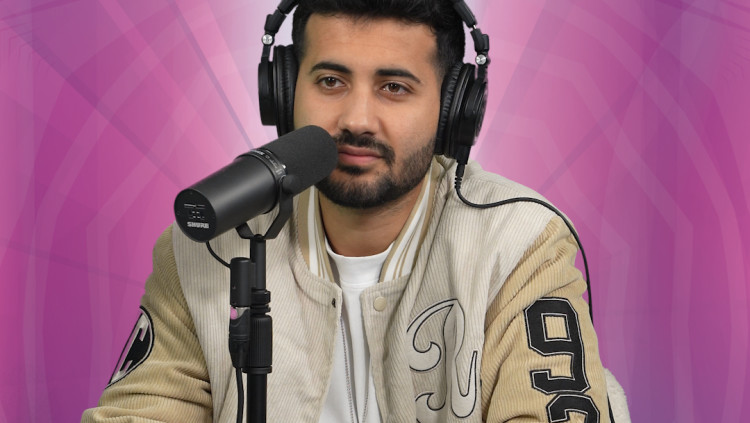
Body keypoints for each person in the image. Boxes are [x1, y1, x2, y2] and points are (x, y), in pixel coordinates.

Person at [83, 0, 620, 421]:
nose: (357, 119)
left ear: (454, 109)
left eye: (394, 87)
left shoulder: (520, 243)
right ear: (284, 92)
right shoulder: (209, 246)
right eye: (331, 82)